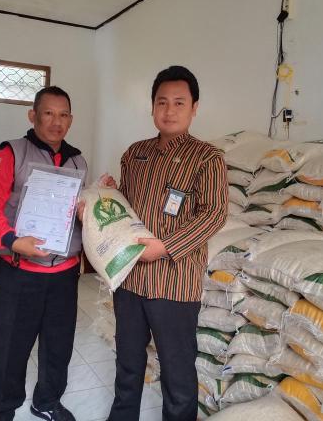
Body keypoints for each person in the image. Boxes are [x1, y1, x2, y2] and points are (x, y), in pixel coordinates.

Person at [107, 66, 228, 421]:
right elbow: (126, 207)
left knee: (177, 373)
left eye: (179, 102)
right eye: (162, 102)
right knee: (127, 365)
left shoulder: (207, 158)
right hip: (129, 279)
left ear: (194, 108)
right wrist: (110, 194)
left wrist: (164, 247)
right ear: (152, 107)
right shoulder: (135, 154)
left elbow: (214, 213)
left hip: (174, 284)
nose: (169, 110)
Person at [0, 86, 87, 421]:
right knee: (10, 346)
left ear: (71, 119)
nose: (56, 121)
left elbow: (77, 212)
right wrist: (11, 239)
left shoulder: (78, 160)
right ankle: (4, 408)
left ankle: (47, 402)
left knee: (58, 345)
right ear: (33, 115)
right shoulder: (12, 152)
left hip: (64, 274)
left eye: (63, 114)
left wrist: (96, 198)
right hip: (19, 271)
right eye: (48, 113)